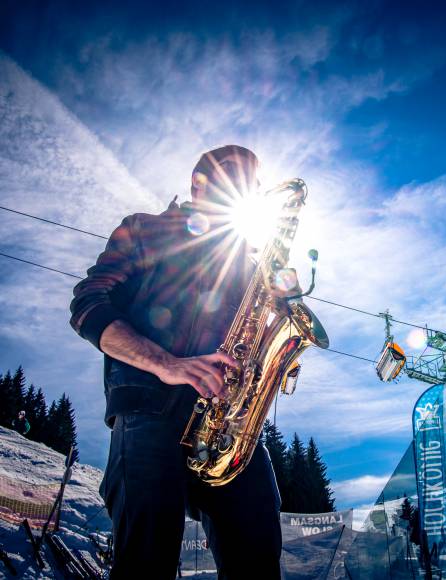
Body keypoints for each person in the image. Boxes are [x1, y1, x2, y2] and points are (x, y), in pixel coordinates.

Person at [70, 145, 282, 579]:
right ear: (197, 183)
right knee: (146, 561)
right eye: (231, 173)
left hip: (229, 428)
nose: (245, 186)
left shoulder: (249, 263)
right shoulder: (145, 229)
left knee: (259, 559)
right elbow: (89, 305)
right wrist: (166, 363)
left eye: (252, 182)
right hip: (150, 412)